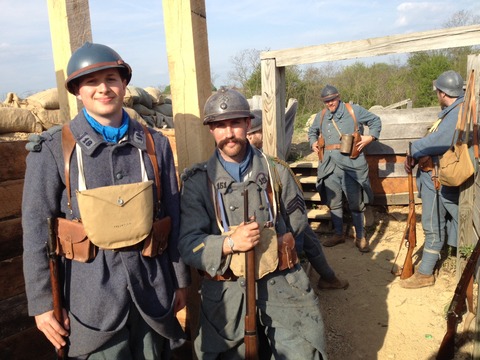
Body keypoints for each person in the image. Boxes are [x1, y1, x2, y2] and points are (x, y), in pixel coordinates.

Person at [22, 42, 190, 359]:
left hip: (152, 292)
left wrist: (180, 281)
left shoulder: (155, 145)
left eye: (112, 78)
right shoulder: (53, 149)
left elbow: (173, 215)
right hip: (91, 302)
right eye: (91, 82)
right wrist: (43, 304)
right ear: (77, 91)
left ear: (124, 84)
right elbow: (35, 230)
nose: (104, 88)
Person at [178, 87, 327, 359]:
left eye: (235, 123)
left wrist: (276, 250)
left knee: (303, 351)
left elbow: (297, 225)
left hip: (281, 283)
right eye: (220, 125)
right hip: (225, 291)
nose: (229, 132)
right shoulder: (197, 182)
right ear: (211, 129)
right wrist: (229, 243)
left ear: (248, 124)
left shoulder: (276, 171)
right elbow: (188, 244)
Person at [247, 110, 348, 290]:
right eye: (259, 131)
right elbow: (295, 219)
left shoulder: (272, 165)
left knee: (307, 234)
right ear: (249, 135)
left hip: (277, 227)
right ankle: (315, 279)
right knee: (301, 234)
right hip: (271, 236)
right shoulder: (273, 167)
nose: (263, 135)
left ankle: (329, 278)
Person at [399, 70, 464, 289]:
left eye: (438, 91)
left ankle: (426, 272)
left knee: (432, 223)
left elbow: (441, 140)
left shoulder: (456, 113)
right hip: (437, 172)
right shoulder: (452, 111)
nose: (437, 95)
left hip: (437, 176)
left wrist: (413, 150)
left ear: (443, 93)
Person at [308, 85, 381, 253]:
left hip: (351, 164)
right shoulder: (322, 116)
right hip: (329, 165)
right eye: (326, 101)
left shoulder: (354, 110)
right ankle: (339, 234)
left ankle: (360, 237)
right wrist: (312, 142)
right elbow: (312, 131)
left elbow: (375, 121)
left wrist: (371, 137)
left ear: (338, 97)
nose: (329, 104)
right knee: (334, 203)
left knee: (356, 203)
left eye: (332, 100)